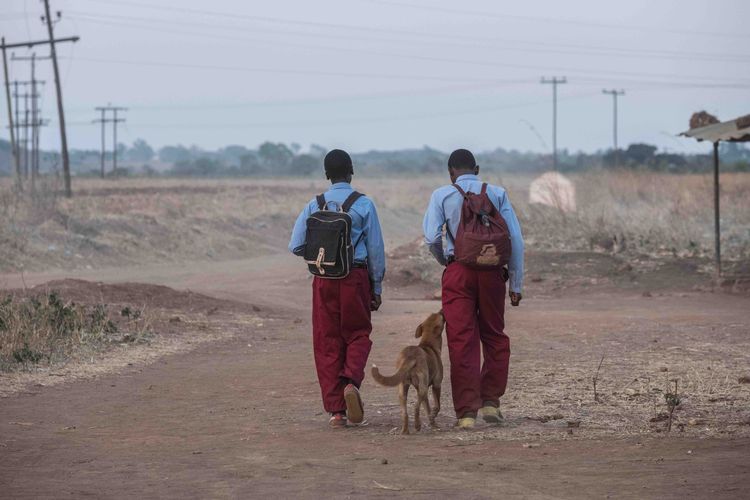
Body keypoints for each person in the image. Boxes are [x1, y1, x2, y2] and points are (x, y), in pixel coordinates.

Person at [422, 148, 524, 429]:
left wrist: (448, 260)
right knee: (494, 336)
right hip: (492, 273)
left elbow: (431, 237)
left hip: (459, 274)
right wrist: (515, 283)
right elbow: (514, 238)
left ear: (450, 172)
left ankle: (466, 413)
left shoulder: (442, 194)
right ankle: (490, 401)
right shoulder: (498, 193)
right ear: (477, 169)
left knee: (461, 340)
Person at [289, 149, 386, 428]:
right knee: (357, 334)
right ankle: (351, 382)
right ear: (351, 172)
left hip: (323, 280)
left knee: (326, 341)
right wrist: (375, 287)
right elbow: (376, 252)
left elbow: (295, 245)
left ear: (326, 175)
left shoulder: (314, 204)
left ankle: (336, 412)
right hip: (355, 277)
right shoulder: (364, 204)